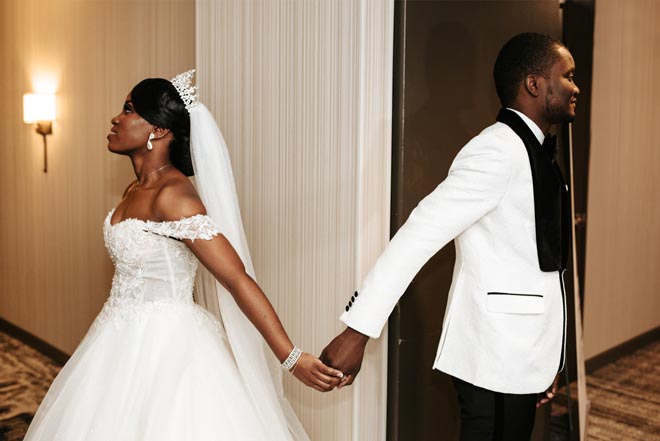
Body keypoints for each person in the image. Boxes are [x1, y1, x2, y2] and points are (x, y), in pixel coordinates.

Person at [24, 70, 343, 441]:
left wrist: (290, 356)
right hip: (116, 339)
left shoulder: (174, 196)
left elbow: (236, 278)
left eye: (128, 109)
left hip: (168, 347)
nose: (116, 118)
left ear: (158, 130)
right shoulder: (136, 188)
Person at [321, 32, 579, 440]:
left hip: (521, 357)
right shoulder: (495, 151)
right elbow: (417, 236)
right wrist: (358, 331)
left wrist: (545, 361)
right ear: (534, 84)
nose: (575, 87)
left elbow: (538, 266)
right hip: (494, 358)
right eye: (567, 76)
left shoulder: (537, 151)